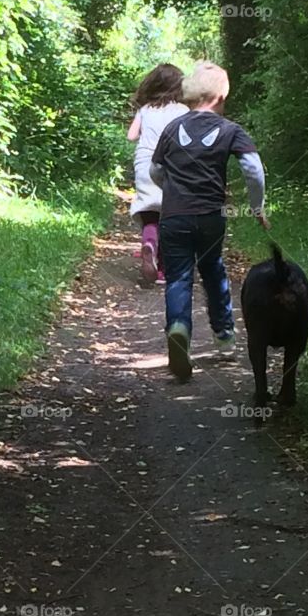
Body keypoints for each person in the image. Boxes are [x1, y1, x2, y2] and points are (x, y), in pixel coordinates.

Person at [149, 60, 270, 380]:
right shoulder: (231, 130)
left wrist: (172, 190)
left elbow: (155, 170)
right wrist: (257, 206)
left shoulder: (172, 128)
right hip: (210, 217)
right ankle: (225, 337)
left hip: (174, 216)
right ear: (219, 97)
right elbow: (254, 170)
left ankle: (178, 327)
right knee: (213, 269)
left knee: (178, 277)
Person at [127, 63, 188, 283]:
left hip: (144, 163)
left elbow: (131, 136)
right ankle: (162, 270)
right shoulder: (182, 111)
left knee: (149, 211)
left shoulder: (145, 110)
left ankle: (149, 244)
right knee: (169, 214)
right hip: (172, 164)